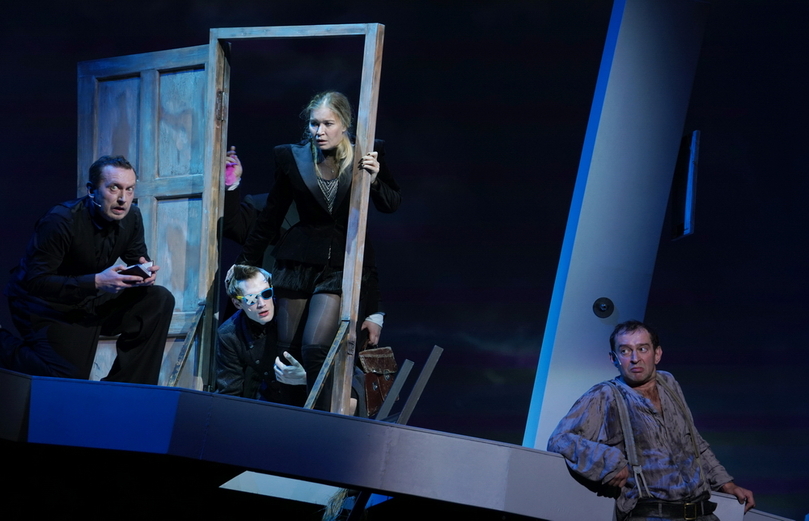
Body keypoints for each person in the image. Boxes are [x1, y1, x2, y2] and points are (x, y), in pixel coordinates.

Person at [235, 91, 400, 409]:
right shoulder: (292, 157)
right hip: (298, 260)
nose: (319, 131)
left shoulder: (366, 152)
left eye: (328, 124)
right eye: (314, 124)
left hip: (339, 265)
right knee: (287, 350)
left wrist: (376, 179)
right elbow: (271, 216)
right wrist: (245, 263)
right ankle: (292, 421)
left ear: (345, 124)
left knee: (315, 347)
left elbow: (392, 203)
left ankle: (326, 422)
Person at [547, 320, 755, 521]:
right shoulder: (605, 395)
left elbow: (694, 443)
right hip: (651, 514)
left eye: (642, 349)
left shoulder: (669, 383)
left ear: (657, 354)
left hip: (702, 513)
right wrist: (607, 460)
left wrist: (727, 484)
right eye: (625, 351)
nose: (635, 358)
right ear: (614, 358)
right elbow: (560, 439)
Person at [2, 155, 175, 384]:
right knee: (66, 378)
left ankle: (125, 388)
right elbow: (36, 281)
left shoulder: (132, 216)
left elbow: (137, 255)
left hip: (89, 298)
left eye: (130, 189)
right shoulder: (60, 220)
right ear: (92, 190)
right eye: (114, 188)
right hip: (43, 303)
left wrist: (144, 271)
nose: (123, 198)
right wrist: (97, 282)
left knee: (159, 299)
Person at [215, 264, 307, 404]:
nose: (261, 303)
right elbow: (230, 392)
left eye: (266, 293)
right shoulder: (229, 334)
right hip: (270, 401)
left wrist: (306, 378)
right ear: (237, 303)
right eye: (251, 299)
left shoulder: (291, 314)